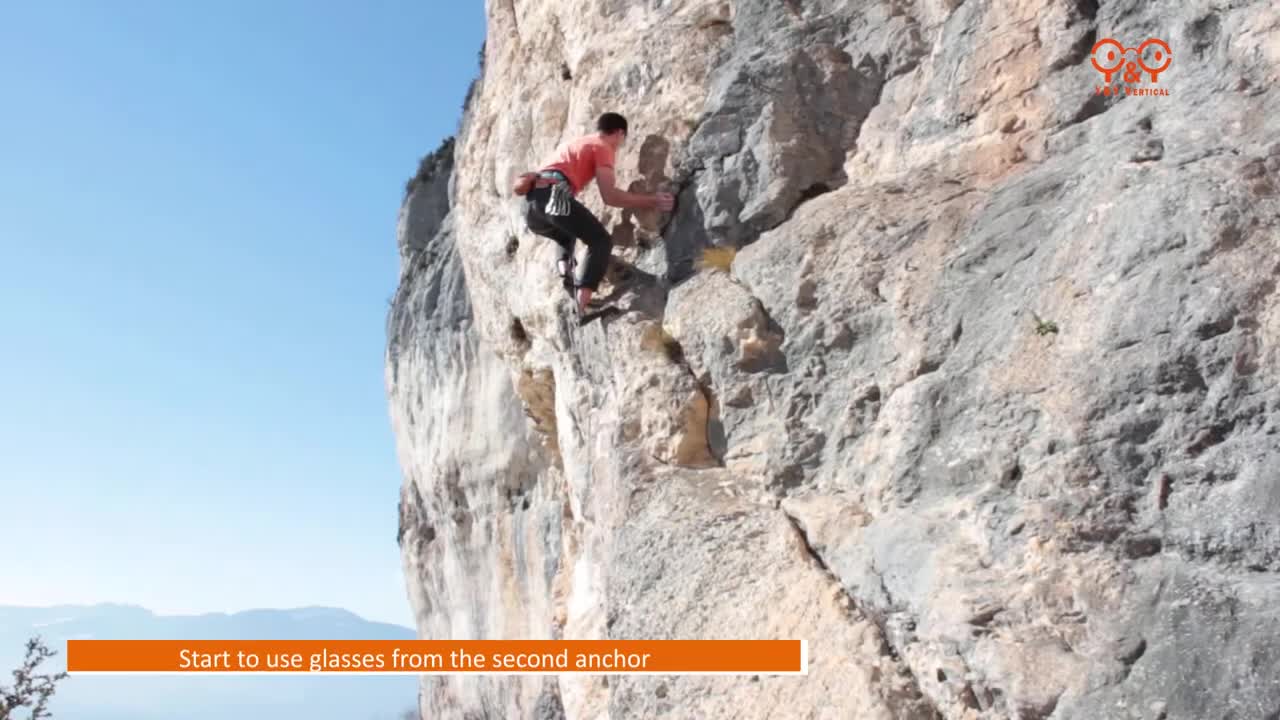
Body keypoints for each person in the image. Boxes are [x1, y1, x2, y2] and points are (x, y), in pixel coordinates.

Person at [516, 113, 675, 312]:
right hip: (552, 195)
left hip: (531, 207)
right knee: (600, 241)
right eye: (621, 142)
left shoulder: (575, 144)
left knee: (566, 236)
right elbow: (610, 197)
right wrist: (652, 200)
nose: (618, 147)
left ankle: (568, 278)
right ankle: (583, 304)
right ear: (619, 133)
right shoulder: (603, 147)